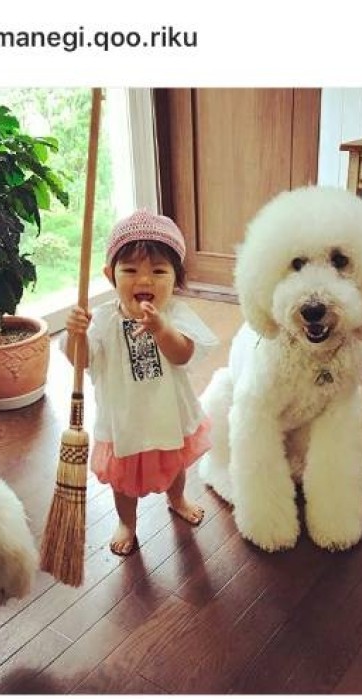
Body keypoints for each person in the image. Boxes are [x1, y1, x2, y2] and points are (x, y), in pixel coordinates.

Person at [63, 209, 218, 556]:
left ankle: (177, 498)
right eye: (130, 270)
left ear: (176, 278)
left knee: (175, 464)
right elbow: (82, 361)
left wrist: (162, 329)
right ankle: (127, 523)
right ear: (109, 275)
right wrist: (77, 336)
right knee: (123, 480)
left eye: (159, 271)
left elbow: (182, 354)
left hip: (169, 416)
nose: (144, 281)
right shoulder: (101, 321)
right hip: (124, 423)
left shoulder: (176, 315)